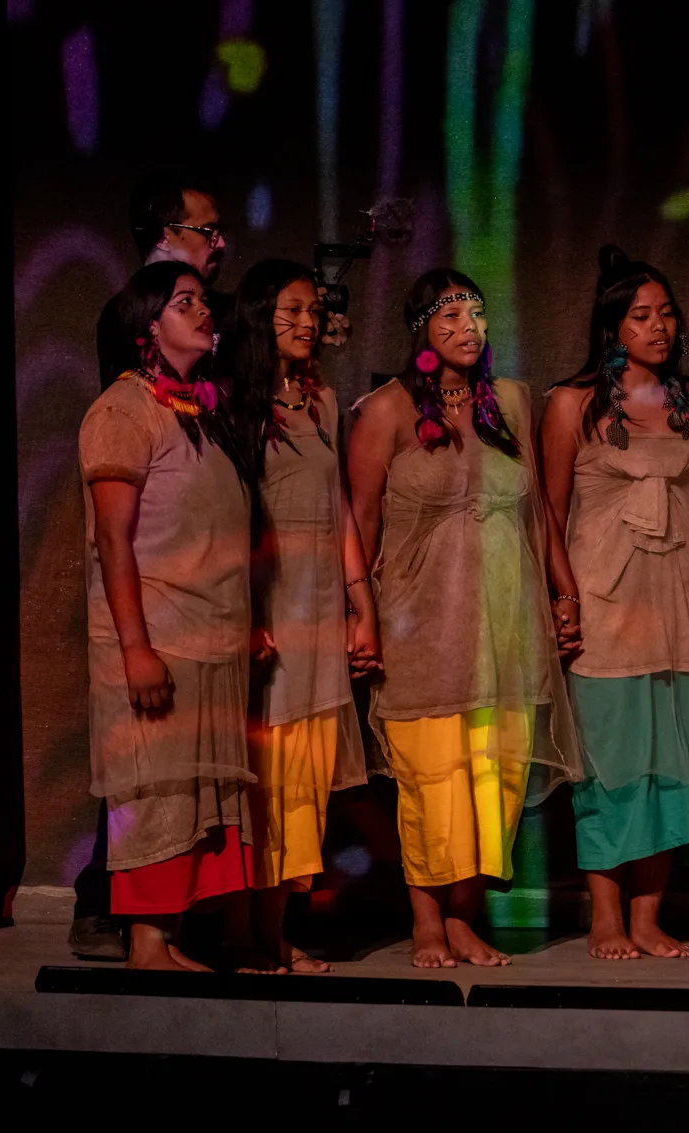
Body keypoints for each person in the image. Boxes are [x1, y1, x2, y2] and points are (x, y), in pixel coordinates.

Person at [347, 269, 579, 968]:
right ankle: (427, 921)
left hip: (503, 621)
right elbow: (356, 522)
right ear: (420, 328)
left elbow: (537, 513)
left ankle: (464, 917)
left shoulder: (507, 400)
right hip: (420, 620)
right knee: (432, 777)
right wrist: (356, 615)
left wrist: (562, 592)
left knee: (492, 779)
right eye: (451, 317)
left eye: (477, 315)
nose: (468, 330)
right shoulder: (384, 410)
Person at [541, 247, 689, 960]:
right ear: (613, 328)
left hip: (684, 605)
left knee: (673, 762)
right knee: (611, 763)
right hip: (606, 610)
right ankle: (605, 914)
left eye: (666, 314)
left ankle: (647, 914)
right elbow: (548, 511)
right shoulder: (572, 405)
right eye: (641, 316)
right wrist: (563, 598)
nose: (658, 327)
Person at [79, 261, 256, 970]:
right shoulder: (123, 411)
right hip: (154, 634)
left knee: (196, 792)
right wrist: (136, 650)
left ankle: (173, 935)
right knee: (156, 788)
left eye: (205, 301)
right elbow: (112, 540)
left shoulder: (196, 409)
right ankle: (147, 941)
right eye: (187, 302)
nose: (205, 311)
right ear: (149, 325)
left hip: (209, 635)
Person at [223, 260, 382, 973]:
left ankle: (278, 931)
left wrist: (362, 604)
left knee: (305, 785)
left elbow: (341, 507)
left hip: (319, 612)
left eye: (313, 309)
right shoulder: (235, 401)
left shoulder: (319, 397)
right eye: (290, 310)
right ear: (260, 316)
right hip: (272, 609)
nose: (307, 322)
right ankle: (252, 935)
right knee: (269, 779)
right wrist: (249, 613)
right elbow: (230, 519)